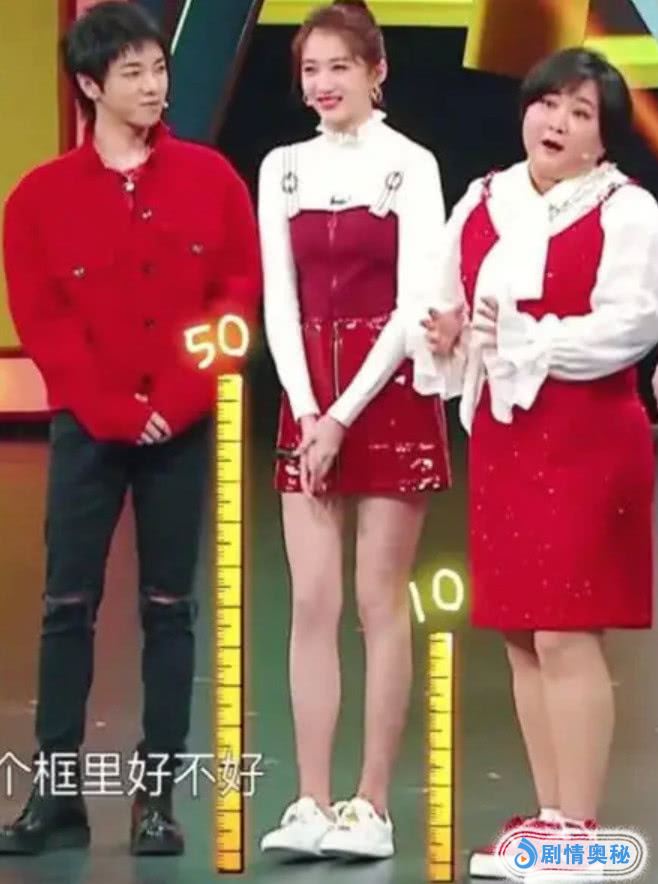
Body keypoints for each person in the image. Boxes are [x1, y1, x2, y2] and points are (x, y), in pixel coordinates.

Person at [0, 1, 260, 857]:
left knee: (169, 610)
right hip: (89, 430)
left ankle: (157, 801)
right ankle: (56, 797)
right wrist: (112, 408)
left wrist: (179, 398)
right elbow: (44, 320)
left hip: (181, 428)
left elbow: (236, 302)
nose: (154, 87)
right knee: (66, 606)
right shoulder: (38, 199)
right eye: (134, 73)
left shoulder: (213, 181)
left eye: (159, 69)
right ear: (90, 85)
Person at [417, 47, 658, 879]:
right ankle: (552, 819)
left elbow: (632, 323)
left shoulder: (627, 210)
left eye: (580, 113)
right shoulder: (484, 199)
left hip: (588, 437)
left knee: (565, 629)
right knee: (522, 631)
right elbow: (445, 302)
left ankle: (581, 834)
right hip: (506, 438)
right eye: (547, 103)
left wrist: (530, 340)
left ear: (604, 138)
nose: (557, 122)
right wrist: (446, 332)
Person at [257, 0, 450, 861]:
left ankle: (371, 804)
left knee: (378, 601)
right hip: (308, 402)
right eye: (311, 69)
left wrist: (342, 415)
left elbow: (414, 306)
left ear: (377, 72)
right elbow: (280, 300)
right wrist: (307, 412)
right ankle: (309, 800)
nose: (324, 83)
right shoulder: (282, 168)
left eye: (340, 66)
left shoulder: (412, 165)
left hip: (389, 395)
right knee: (312, 601)